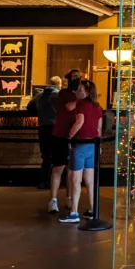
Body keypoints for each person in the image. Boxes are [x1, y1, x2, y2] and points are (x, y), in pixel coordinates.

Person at [59, 80, 103, 224]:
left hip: (80, 144)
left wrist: (70, 135)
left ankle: (74, 212)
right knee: (90, 181)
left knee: (75, 179)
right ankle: (92, 210)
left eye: (80, 88)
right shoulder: (98, 106)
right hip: (93, 144)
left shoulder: (81, 104)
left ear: (85, 91)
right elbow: (99, 128)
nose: (77, 90)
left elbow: (80, 122)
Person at [47, 69, 81, 214]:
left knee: (71, 171)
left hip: (75, 136)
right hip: (61, 134)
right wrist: (81, 97)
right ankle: (53, 200)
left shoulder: (79, 95)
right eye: (74, 77)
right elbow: (69, 106)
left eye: (79, 77)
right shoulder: (63, 94)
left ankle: (69, 198)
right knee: (58, 168)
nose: (77, 79)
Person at [27, 76, 62, 190]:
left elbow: (29, 107)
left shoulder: (39, 95)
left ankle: (43, 181)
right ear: (59, 84)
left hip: (43, 127)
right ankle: (56, 181)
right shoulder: (60, 95)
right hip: (57, 127)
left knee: (46, 155)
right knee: (58, 155)